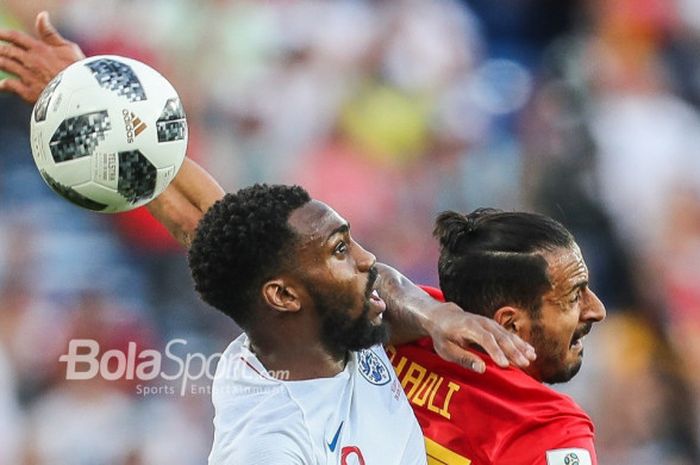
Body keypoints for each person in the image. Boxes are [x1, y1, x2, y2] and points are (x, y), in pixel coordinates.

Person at [0, 12, 536, 464]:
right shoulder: (271, 440)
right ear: (284, 294)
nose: (367, 258)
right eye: (340, 251)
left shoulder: (338, 335)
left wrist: (84, 93)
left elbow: (200, 218)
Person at [388, 208, 606, 465]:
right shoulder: (552, 431)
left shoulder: (403, 326)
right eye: (573, 297)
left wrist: (430, 315)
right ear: (510, 325)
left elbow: (373, 281)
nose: (597, 310)